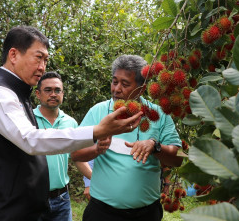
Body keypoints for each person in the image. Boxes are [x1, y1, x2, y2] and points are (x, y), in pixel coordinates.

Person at [0, 26, 141, 221]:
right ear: (14, 55)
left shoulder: (19, 94)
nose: (42, 67)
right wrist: (97, 131)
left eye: (46, 60)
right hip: (1, 213)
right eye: (38, 57)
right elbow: (30, 140)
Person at [71, 55, 183, 221]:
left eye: (125, 84)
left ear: (141, 89)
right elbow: (75, 154)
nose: (116, 89)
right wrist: (97, 149)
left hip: (146, 214)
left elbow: (177, 159)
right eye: (114, 81)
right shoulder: (98, 112)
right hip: (102, 213)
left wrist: (155, 146)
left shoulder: (158, 114)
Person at [34, 71, 92, 221]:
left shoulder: (70, 122)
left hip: (62, 199)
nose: (53, 94)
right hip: (32, 198)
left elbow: (78, 157)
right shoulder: (28, 119)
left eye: (57, 90)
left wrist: (94, 179)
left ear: (63, 94)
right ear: (38, 94)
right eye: (48, 90)